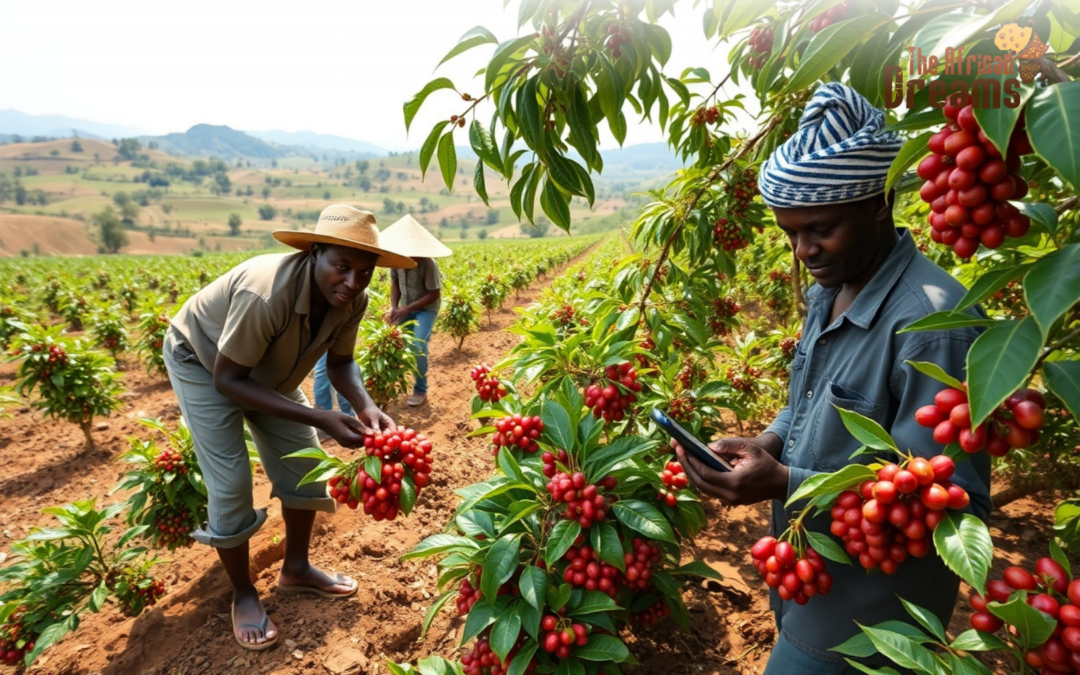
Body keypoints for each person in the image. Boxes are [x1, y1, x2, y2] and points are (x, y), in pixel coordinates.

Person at [671, 84, 991, 673]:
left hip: (869, 617)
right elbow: (809, 401)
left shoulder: (933, 325)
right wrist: (768, 441)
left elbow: (947, 502)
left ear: (878, 204)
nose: (803, 251)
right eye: (790, 233)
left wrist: (788, 481)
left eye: (819, 229)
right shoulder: (835, 287)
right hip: (811, 592)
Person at [163, 204, 415, 650]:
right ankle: (243, 594)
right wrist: (320, 417)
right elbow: (228, 380)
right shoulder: (267, 294)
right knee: (232, 482)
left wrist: (365, 406)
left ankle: (296, 569)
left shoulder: (352, 301)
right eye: (342, 266)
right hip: (203, 364)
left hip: (262, 373)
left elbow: (341, 363)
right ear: (315, 253)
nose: (353, 282)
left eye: (364, 271)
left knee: (307, 469)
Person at [378, 214, 452, 407]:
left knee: (418, 345)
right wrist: (394, 307)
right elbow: (394, 283)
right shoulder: (396, 260)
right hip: (404, 307)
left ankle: (421, 390)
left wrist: (407, 309)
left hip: (426, 309)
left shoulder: (427, 263)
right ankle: (385, 384)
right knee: (387, 338)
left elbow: (434, 294)